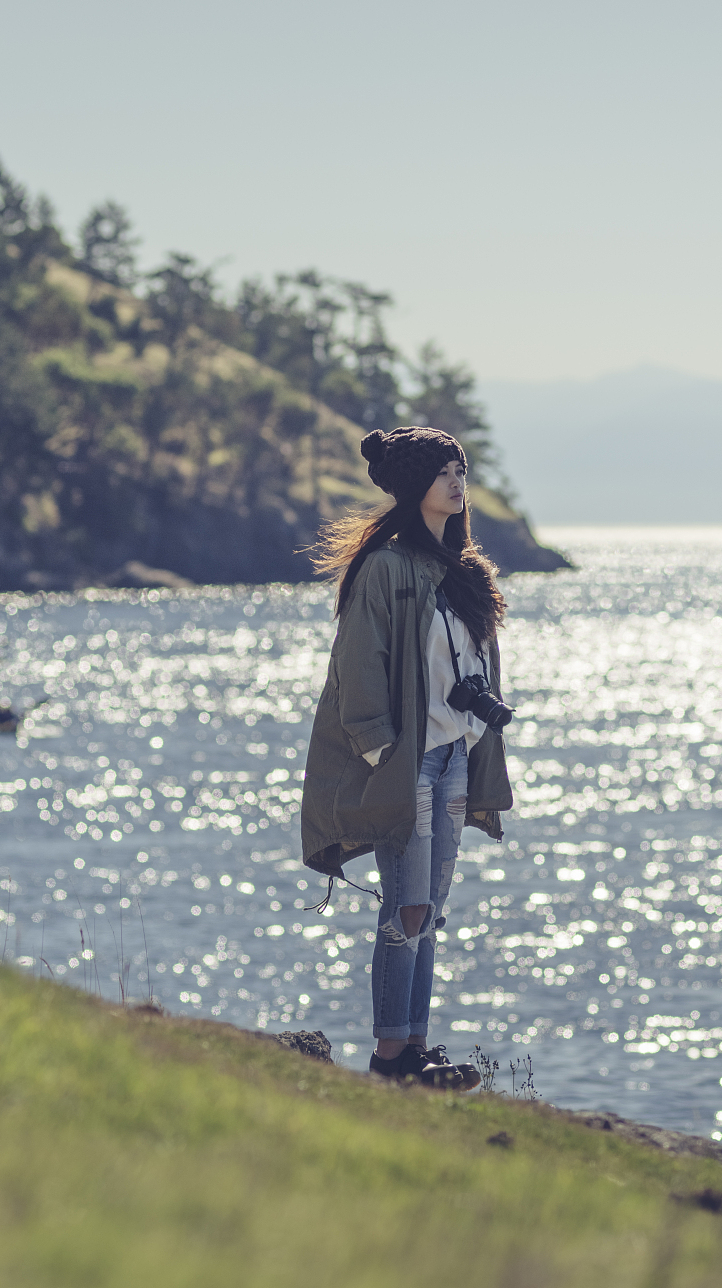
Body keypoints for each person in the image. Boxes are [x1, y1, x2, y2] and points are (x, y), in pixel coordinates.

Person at [302, 426, 515, 1088]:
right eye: (442, 471)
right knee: (407, 910)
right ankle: (390, 1059)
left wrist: (476, 732)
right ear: (413, 484)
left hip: (454, 757)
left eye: (460, 469)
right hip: (407, 763)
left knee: (430, 912)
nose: (457, 481)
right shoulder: (386, 568)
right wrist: (379, 750)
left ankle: (416, 1049)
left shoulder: (465, 570)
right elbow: (358, 661)